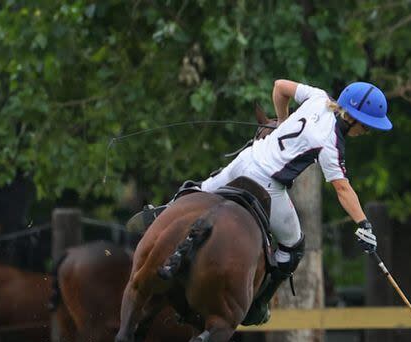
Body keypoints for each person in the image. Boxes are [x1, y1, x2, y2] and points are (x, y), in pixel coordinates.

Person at [128, 80, 392, 325]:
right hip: (268, 187)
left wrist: (283, 119)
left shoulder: (317, 97)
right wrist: (363, 224)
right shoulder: (331, 143)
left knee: (197, 193)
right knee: (294, 246)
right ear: (351, 117)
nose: (366, 131)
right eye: (366, 125)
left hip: (244, 162)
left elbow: (280, 86)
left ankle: (159, 215)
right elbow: (343, 189)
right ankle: (259, 303)